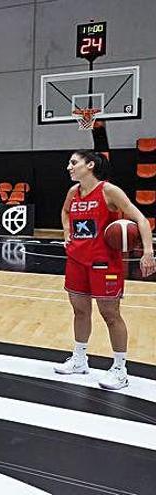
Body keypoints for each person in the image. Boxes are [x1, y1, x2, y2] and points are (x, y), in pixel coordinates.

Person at [55, 150, 156, 390]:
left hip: (104, 263)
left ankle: (120, 369)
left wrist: (148, 252)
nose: (69, 167)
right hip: (76, 260)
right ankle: (80, 359)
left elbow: (140, 219)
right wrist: (68, 234)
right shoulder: (73, 192)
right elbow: (66, 212)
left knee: (110, 315)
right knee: (80, 311)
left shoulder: (109, 191)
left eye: (73, 163)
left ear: (90, 164)